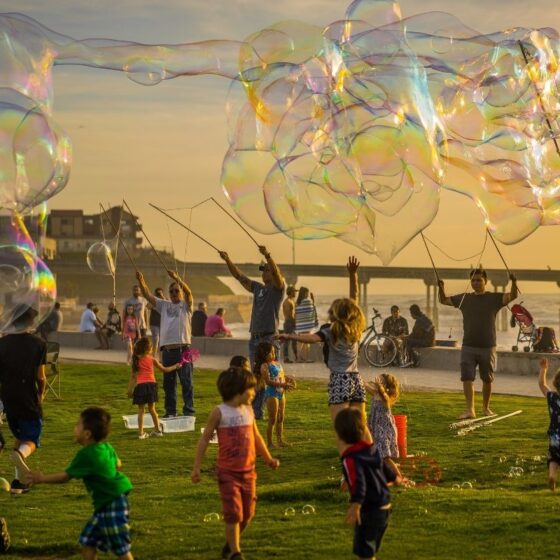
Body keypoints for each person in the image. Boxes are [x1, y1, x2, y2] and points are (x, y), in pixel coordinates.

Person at [191, 367, 280, 560]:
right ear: (238, 391)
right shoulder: (219, 412)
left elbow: (256, 437)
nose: (254, 393)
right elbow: (204, 439)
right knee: (234, 513)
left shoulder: (248, 411)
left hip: (249, 472)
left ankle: (230, 544)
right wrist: (197, 467)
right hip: (227, 473)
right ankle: (235, 552)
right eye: (251, 389)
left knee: (247, 514)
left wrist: (268, 458)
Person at [276, 257, 371, 435]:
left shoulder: (330, 331)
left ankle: (349, 460)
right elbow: (354, 299)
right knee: (361, 426)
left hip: (340, 380)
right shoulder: (355, 329)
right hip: (356, 379)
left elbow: (312, 338)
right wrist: (353, 275)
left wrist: (289, 335)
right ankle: (372, 458)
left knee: (342, 429)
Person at [24, 407, 134, 560]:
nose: (74, 428)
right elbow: (118, 464)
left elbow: (65, 477)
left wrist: (41, 478)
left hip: (112, 502)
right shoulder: (106, 447)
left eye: (77, 425)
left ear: (87, 434)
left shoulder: (85, 455)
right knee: (88, 541)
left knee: (120, 547)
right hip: (111, 500)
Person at [438, 268, 518, 419]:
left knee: (487, 379)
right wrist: (441, 288)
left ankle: (486, 408)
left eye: (479, 280)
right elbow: (443, 300)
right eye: (473, 280)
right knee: (467, 377)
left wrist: (514, 282)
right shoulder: (464, 298)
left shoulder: (494, 298)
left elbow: (512, 296)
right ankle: (470, 410)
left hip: (488, 345)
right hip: (468, 345)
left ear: (485, 281)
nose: (475, 282)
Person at [219, 245, 285, 420]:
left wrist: (268, 255)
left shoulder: (278, 289)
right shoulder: (257, 288)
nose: (264, 273)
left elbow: (278, 276)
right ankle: (257, 412)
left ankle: (271, 409)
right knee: (256, 377)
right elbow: (239, 277)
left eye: (267, 270)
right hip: (254, 338)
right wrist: (228, 260)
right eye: (263, 271)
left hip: (269, 337)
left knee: (270, 375)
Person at [335, 408, 402, 560]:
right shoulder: (371, 449)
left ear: (340, 435)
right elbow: (384, 467)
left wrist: (355, 505)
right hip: (384, 509)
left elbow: (358, 482)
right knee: (369, 551)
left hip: (369, 511)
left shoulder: (349, 459)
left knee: (364, 553)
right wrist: (395, 479)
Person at [0, 305, 46, 494]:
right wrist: (41, 394)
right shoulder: (38, 343)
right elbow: (41, 377)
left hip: (8, 397)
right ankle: (20, 454)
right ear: (30, 322)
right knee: (32, 438)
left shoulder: (2, 343)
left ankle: (19, 483)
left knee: (20, 436)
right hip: (27, 396)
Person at [136, 269, 194, 418]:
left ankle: (188, 411)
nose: (174, 293)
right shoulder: (164, 305)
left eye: (176, 291)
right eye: (172, 291)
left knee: (186, 382)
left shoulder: (186, 306)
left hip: (184, 349)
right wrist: (141, 281)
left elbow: (189, 293)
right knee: (169, 385)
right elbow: (148, 295)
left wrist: (177, 278)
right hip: (167, 351)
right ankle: (170, 412)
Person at [127, 337, 181, 439]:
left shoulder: (136, 360)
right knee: (152, 409)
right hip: (151, 386)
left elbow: (133, 377)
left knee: (141, 410)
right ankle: (157, 430)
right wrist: (175, 366)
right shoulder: (152, 359)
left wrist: (129, 390)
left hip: (141, 387)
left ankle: (141, 433)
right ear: (148, 349)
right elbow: (164, 369)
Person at [254, 342, 295, 448]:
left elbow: (280, 375)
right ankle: (270, 443)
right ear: (264, 354)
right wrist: (283, 384)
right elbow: (268, 382)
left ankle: (280, 440)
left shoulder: (276, 363)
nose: (274, 353)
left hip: (281, 393)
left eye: (274, 351)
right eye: (271, 352)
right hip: (272, 394)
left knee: (281, 418)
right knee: (273, 419)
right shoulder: (264, 366)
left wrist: (288, 379)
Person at [365, 374, 404, 478]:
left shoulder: (385, 398)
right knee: (379, 455)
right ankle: (384, 475)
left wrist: (379, 386)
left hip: (384, 430)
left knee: (385, 457)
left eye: (380, 381)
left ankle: (399, 477)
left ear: (384, 386)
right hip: (377, 429)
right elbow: (364, 385)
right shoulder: (375, 394)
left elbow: (382, 393)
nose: (376, 382)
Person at [538, 358, 560, 491]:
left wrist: (543, 369)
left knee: (553, 458)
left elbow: (541, 384)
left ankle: (552, 476)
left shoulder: (551, 397)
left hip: (554, 437)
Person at [295, 287, 318, 362]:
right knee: (306, 342)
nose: (308, 294)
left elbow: (297, 313)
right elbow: (312, 310)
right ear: (304, 293)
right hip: (307, 325)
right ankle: (305, 358)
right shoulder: (308, 301)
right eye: (307, 293)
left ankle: (298, 358)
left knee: (300, 342)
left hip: (299, 325)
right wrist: (313, 299)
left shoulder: (297, 302)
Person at [282, 286, 298, 363]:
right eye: (294, 291)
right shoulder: (288, 302)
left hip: (289, 323)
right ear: (290, 292)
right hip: (289, 323)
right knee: (288, 341)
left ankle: (295, 357)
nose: (295, 293)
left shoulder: (291, 301)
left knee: (291, 341)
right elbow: (289, 315)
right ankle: (287, 358)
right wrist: (294, 322)